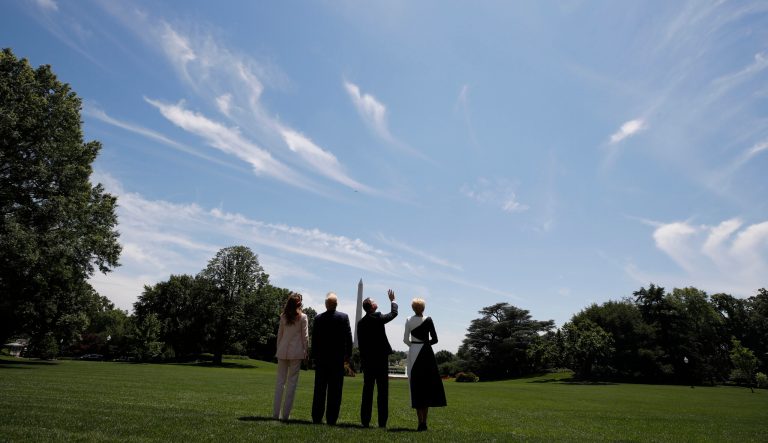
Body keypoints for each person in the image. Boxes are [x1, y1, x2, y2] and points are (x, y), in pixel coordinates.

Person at [403, 298, 446, 431]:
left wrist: (414, 346)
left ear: (413, 308)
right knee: (426, 387)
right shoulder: (429, 319)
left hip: (414, 353)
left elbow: (405, 339)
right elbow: (435, 339)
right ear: (423, 308)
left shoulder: (408, 319)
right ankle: (424, 422)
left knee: (416, 386)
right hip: (427, 353)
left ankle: (419, 421)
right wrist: (425, 345)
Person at [357, 289, 398, 428]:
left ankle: (365, 421)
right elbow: (394, 313)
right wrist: (393, 300)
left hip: (368, 361)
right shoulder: (378, 318)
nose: (376, 302)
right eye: (374, 301)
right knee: (382, 392)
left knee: (367, 391)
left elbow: (361, 345)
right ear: (372, 306)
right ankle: (382, 422)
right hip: (380, 360)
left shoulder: (361, 323)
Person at [311, 292, 353, 425]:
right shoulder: (344, 317)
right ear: (336, 304)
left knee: (319, 390)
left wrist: (314, 356)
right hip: (337, 359)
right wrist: (348, 355)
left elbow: (315, 340)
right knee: (335, 391)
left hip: (322, 359)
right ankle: (331, 418)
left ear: (325, 304)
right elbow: (348, 338)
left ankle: (317, 417)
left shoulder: (318, 318)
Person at [273, 292, 308, 421]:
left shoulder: (283, 316)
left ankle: (276, 414)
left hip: (282, 351)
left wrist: (278, 350)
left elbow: (279, 336)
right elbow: (305, 337)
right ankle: (285, 415)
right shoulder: (303, 317)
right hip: (296, 352)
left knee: (280, 382)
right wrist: (306, 351)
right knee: (291, 384)